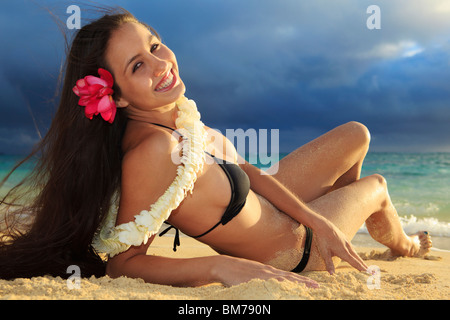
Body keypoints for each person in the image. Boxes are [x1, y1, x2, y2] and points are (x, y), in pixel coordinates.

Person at [0, 8, 431, 288]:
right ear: (119, 98)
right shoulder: (153, 151)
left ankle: (339, 234)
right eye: (138, 66)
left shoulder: (179, 116)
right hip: (294, 254)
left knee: (357, 134)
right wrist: (218, 266)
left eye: (153, 46)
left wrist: (321, 220)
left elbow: (254, 174)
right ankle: (405, 247)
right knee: (377, 185)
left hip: (294, 219)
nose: (160, 64)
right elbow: (124, 264)